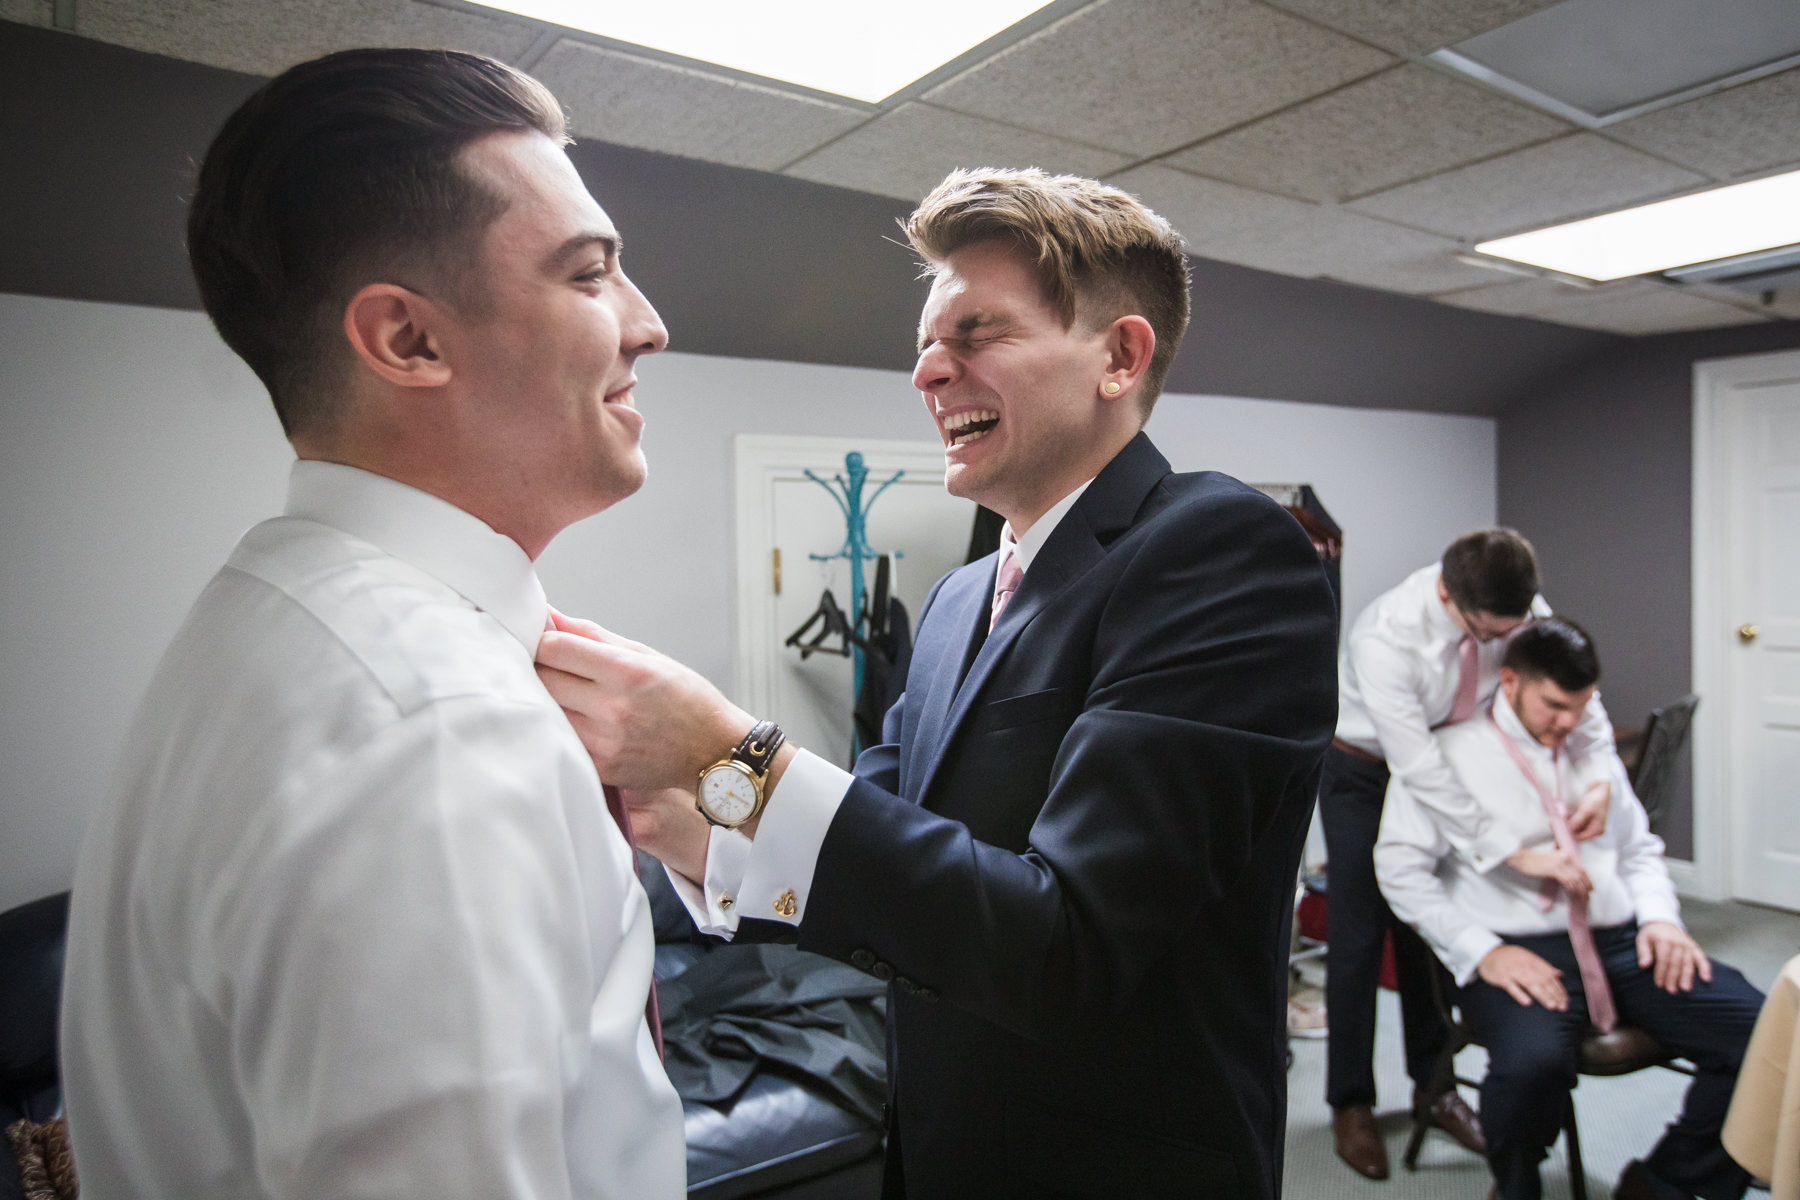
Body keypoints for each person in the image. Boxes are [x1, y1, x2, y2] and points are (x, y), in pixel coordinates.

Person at [534, 168, 1340, 1198]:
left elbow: (1070, 947)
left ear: (1118, 356)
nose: (928, 372)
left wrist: (725, 753)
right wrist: (695, 813)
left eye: (976, 335)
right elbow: (888, 850)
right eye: (924, 345)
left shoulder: (1220, 550)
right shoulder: (960, 600)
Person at [59, 49, 685, 1198]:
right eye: (591, 274)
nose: (649, 325)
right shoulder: (437, 730)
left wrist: (724, 779)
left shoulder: (265, 619)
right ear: (408, 341)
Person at [1375, 618, 1765, 1200]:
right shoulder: (1446, 758)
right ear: (1509, 682)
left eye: (1581, 707)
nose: (1569, 722)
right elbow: (1400, 871)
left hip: (1620, 941)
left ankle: (1665, 1181)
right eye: (1555, 706)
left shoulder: (1592, 752)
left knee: (1767, 1033)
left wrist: (1661, 917)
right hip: (1514, 946)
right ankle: (1516, 1185)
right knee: (1533, 1067)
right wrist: (1486, 952)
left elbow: (1639, 850)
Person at [1321, 529, 1615, 1177]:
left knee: (1429, 932)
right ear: (1449, 595)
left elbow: (1568, 688)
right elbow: (1418, 768)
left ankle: (1436, 1088)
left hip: (1455, 758)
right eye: (1487, 634)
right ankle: (1351, 1103)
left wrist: (1600, 781)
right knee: (1359, 936)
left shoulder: (1522, 609)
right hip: (1365, 772)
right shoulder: (1385, 637)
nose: (1496, 643)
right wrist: (1510, 850)